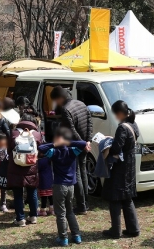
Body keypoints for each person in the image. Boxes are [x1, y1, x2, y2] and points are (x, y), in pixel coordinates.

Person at [38, 127, 87, 246]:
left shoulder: (53, 152)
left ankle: (63, 237)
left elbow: (41, 148)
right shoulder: (73, 151)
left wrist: (55, 144)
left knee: (60, 213)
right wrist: (67, 142)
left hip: (59, 185)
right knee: (70, 211)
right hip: (71, 186)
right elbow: (83, 143)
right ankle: (76, 236)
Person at [50, 85, 93, 215]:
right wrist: (87, 141)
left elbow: (71, 130)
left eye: (55, 100)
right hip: (85, 143)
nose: (55, 103)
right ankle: (85, 202)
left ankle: (81, 206)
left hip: (76, 145)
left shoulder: (65, 109)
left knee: (77, 174)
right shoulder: (81, 103)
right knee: (83, 172)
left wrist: (81, 143)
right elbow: (89, 123)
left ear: (60, 98)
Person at [101, 100, 140, 240]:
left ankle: (115, 231)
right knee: (127, 198)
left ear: (119, 113)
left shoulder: (122, 128)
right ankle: (133, 229)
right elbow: (125, 142)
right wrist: (114, 139)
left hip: (120, 167)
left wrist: (105, 146)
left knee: (115, 198)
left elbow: (117, 148)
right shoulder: (133, 125)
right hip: (130, 165)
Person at [7, 113, 43, 226]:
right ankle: (33, 217)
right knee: (32, 192)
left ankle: (20, 219)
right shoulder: (37, 134)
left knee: (18, 193)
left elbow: (9, 149)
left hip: (16, 166)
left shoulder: (14, 133)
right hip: (31, 167)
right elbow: (41, 149)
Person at [38, 152, 54, 217]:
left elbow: (37, 169)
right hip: (50, 181)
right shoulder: (49, 160)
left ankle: (43, 210)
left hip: (43, 181)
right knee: (51, 196)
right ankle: (52, 209)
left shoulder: (40, 161)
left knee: (44, 197)